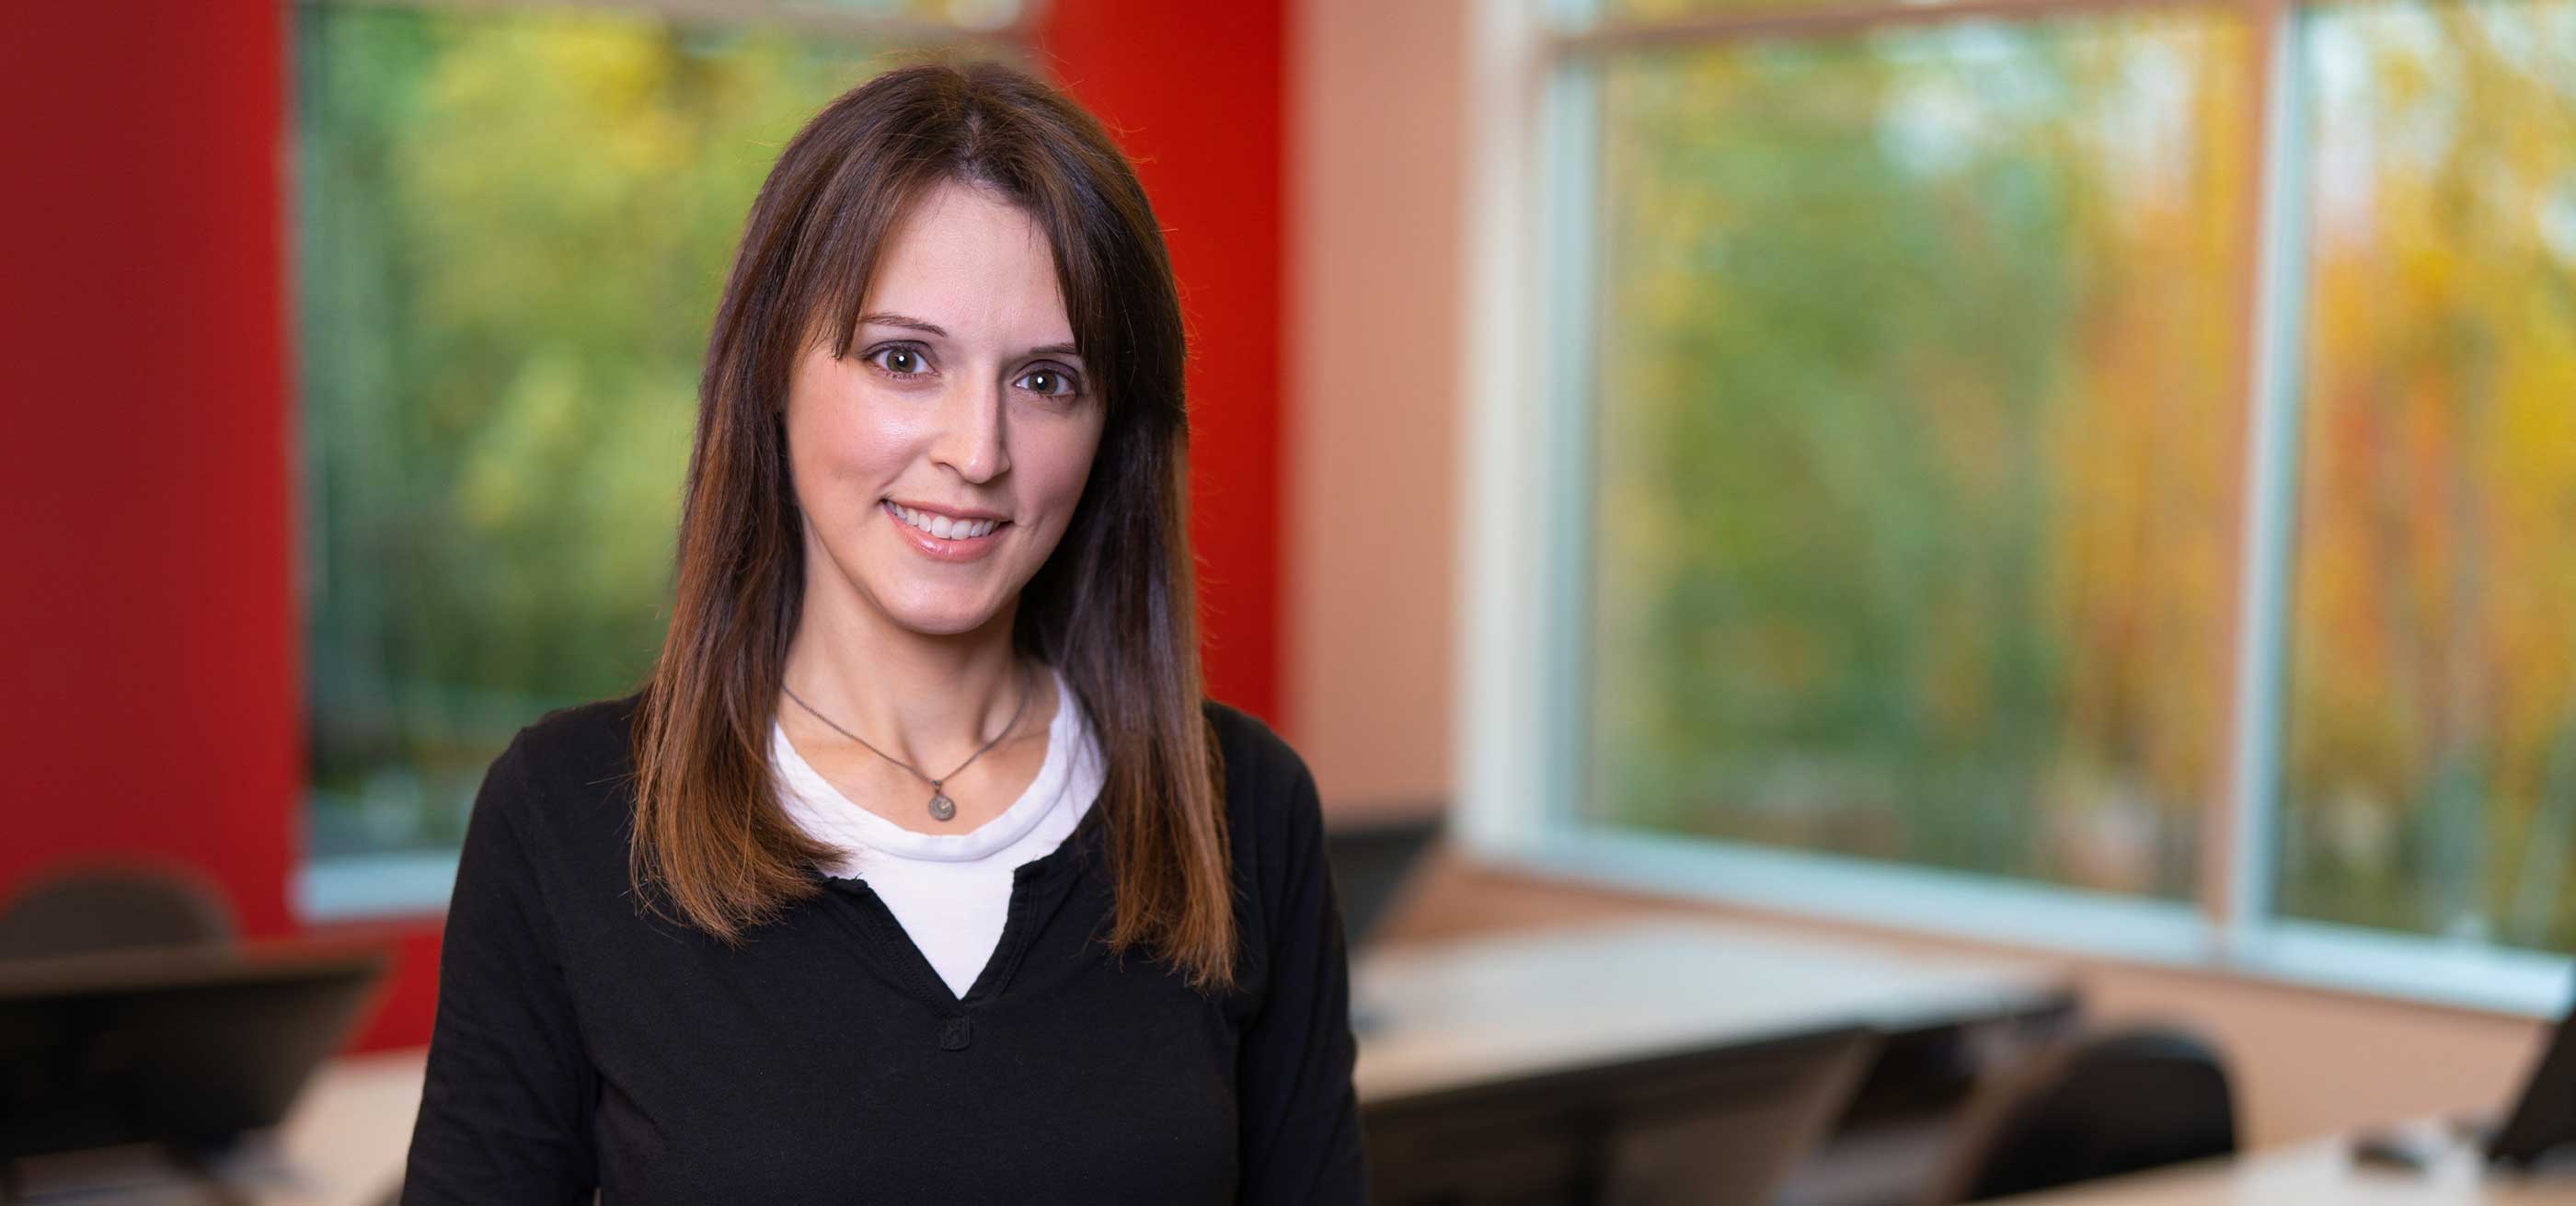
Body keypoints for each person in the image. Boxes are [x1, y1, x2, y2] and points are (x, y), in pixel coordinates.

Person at [400, 60, 1367, 1203]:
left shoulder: (1242, 811)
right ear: (772, 369)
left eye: (1047, 380)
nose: (977, 450)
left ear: (1114, 426)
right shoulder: (568, 816)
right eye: (903, 359)